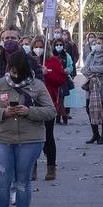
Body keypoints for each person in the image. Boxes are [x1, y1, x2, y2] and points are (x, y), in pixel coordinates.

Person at [0, 52, 56, 207]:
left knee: (23, 181)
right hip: (3, 138)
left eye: (17, 71)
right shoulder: (0, 85)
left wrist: (29, 111)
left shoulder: (37, 85)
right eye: (12, 71)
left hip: (30, 139)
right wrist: (4, 112)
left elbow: (50, 111)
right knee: (2, 180)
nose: (14, 75)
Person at [81, 36, 103, 144]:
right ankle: (95, 134)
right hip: (91, 89)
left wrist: (91, 69)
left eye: (99, 43)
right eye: (95, 43)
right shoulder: (91, 56)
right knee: (90, 110)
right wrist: (91, 69)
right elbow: (84, 69)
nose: (96, 44)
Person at [40, 40, 66, 180]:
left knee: (48, 135)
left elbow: (60, 80)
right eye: (35, 47)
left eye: (40, 46)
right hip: (31, 104)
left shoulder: (53, 61)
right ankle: (32, 168)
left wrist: (47, 74)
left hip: (49, 103)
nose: (38, 49)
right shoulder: (27, 60)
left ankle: (51, 167)